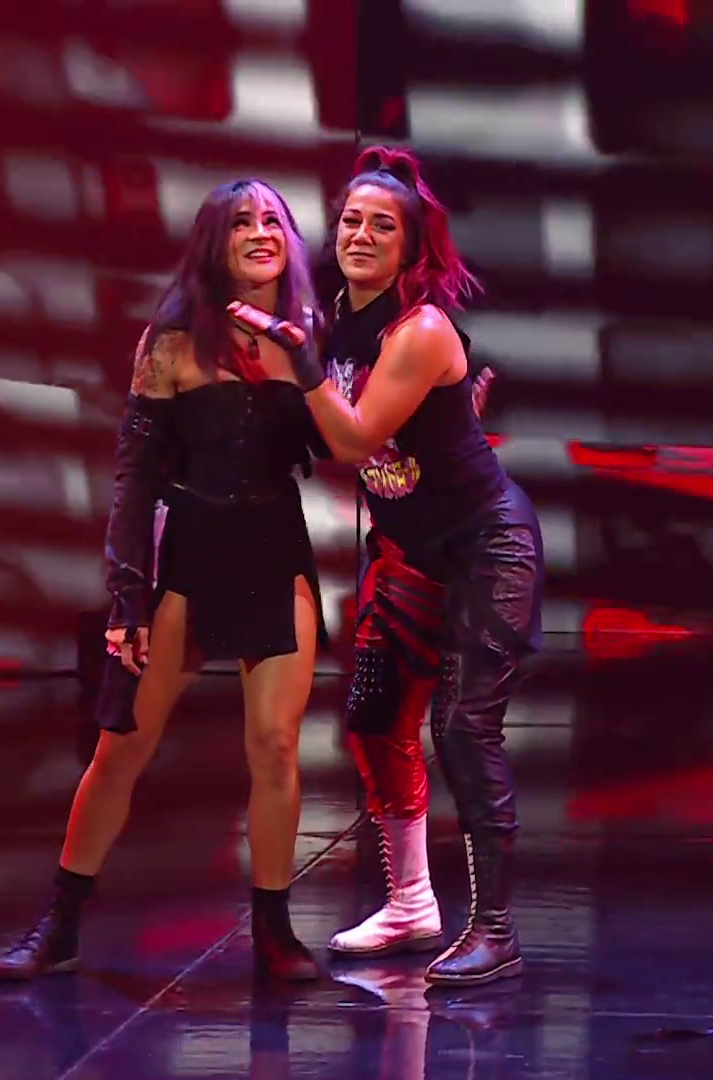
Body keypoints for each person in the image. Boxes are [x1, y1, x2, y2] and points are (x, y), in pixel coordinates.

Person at [0, 178, 329, 983]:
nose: (261, 231)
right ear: (215, 242)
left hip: (275, 546)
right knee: (122, 747)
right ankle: (61, 923)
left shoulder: (308, 337)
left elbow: (343, 438)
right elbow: (136, 476)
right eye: (241, 222)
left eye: (273, 219)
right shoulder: (173, 341)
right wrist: (127, 593)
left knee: (276, 744)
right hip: (192, 550)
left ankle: (274, 932)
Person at [244, 145, 542, 988]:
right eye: (350, 221)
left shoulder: (421, 330)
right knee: (376, 716)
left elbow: (352, 438)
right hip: (410, 549)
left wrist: (298, 369)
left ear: (411, 248)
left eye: (383, 226)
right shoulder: (331, 319)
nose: (361, 236)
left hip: (487, 546)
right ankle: (411, 902)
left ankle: (495, 931)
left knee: (463, 728)